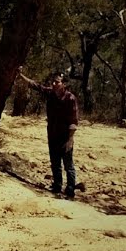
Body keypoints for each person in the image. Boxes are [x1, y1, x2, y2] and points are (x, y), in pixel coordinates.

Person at [16, 67, 80, 199]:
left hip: (65, 136)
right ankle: (57, 186)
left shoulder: (70, 98)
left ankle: (70, 188)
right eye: (54, 82)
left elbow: (74, 121)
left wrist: (70, 139)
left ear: (64, 84)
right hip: (52, 134)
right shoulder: (50, 93)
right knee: (55, 162)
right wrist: (21, 75)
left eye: (58, 82)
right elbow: (35, 85)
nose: (54, 84)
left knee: (68, 164)